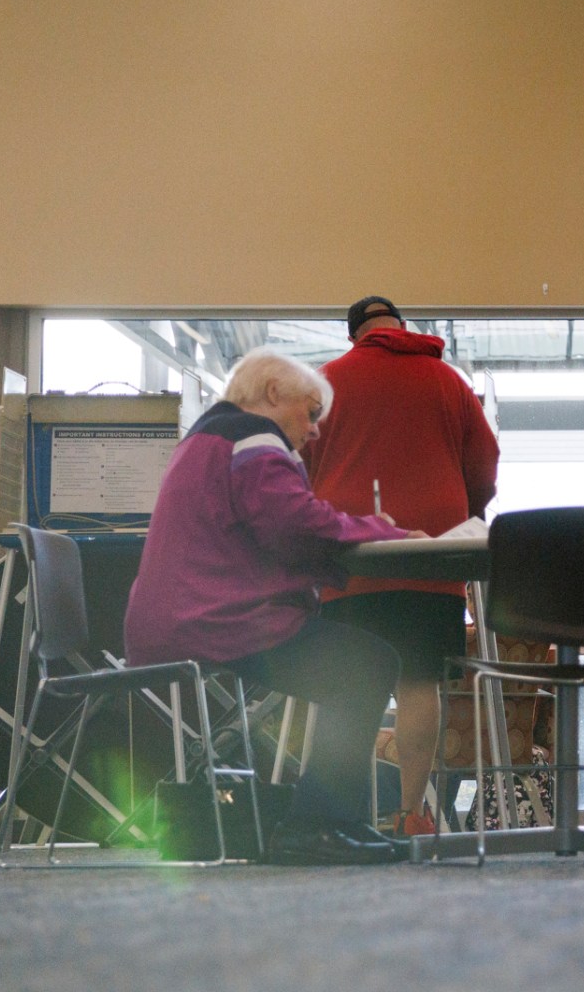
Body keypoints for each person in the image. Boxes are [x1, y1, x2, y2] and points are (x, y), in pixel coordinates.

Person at [124, 349, 420, 865]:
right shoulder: (253, 436)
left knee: (355, 663)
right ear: (273, 394)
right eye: (310, 413)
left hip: (185, 617)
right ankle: (318, 825)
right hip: (213, 620)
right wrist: (381, 531)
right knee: (366, 665)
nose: (314, 431)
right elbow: (292, 522)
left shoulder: (208, 437)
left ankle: (331, 822)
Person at [305, 295, 500, 837]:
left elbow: (301, 459)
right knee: (419, 683)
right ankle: (411, 813)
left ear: (354, 336)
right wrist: (467, 509)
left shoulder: (326, 382)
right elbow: (485, 464)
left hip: (351, 558)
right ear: (402, 327)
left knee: (346, 682)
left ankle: (342, 816)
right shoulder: (448, 381)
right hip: (432, 558)